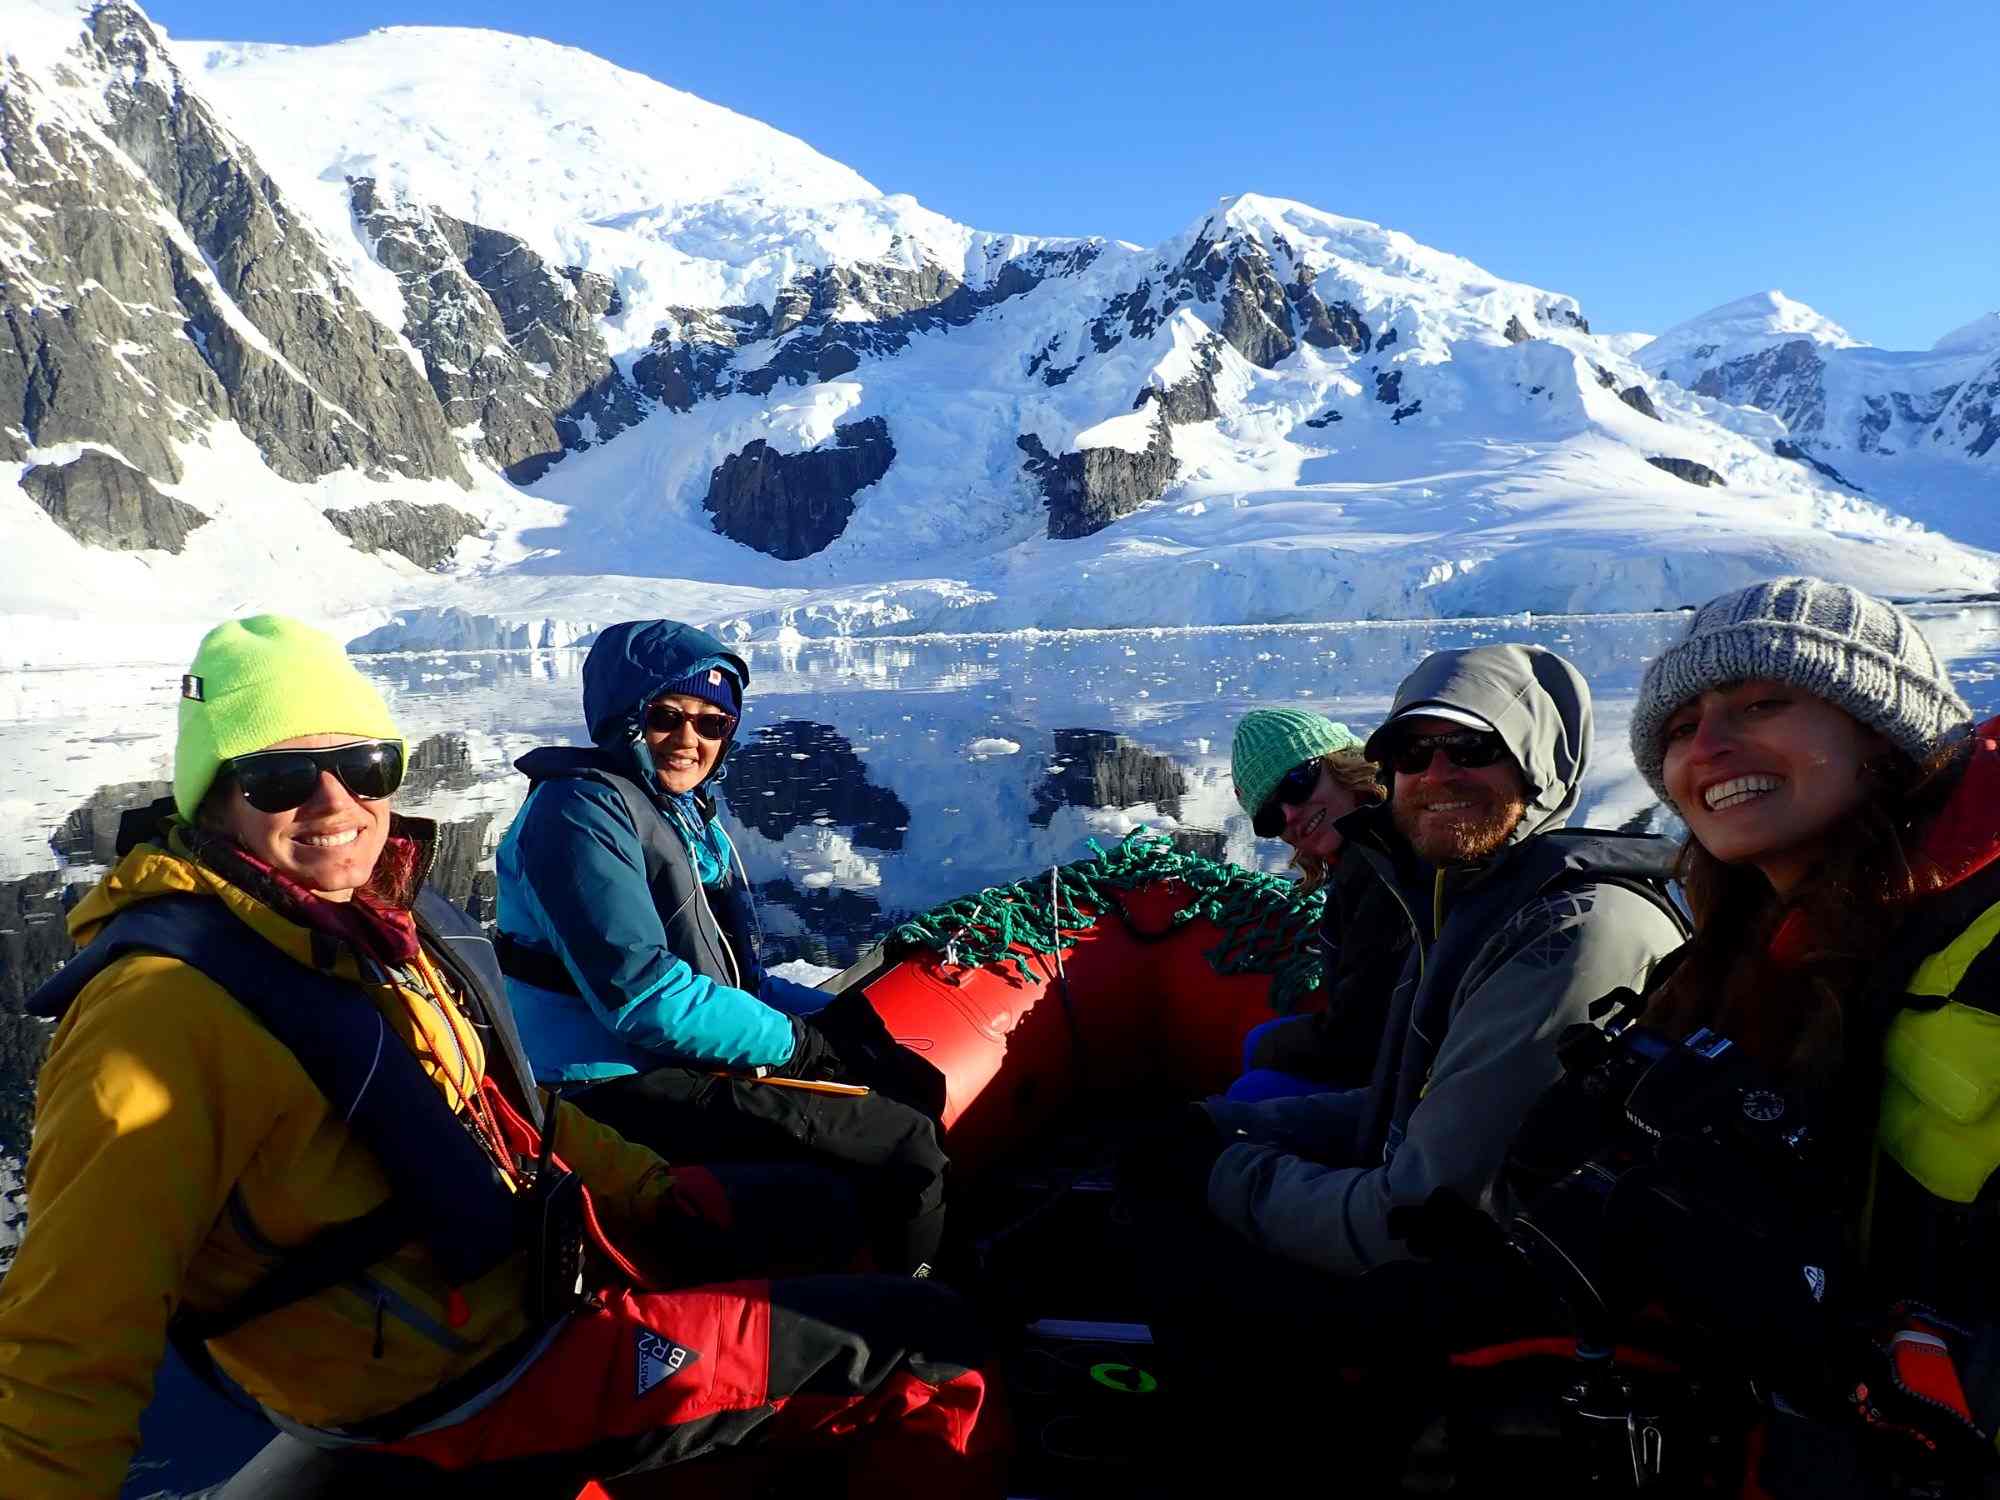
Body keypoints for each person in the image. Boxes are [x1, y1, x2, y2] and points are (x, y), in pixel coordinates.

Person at [0, 616, 1002, 1500]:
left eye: (366, 766)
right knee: (935, 1348)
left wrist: (656, 1192)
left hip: (509, 1294)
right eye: (277, 776)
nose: (335, 801)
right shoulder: (159, 1017)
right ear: (213, 796)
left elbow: (501, 1107)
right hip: (457, 1388)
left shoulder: (354, 933)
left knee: (814, 1212)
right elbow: (69, 1336)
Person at [1119, 643, 1688, 1479]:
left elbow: (1421, 1215)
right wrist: (1224, 1127)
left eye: (1471, 748)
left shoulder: (1567, 937)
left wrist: (1223, 1171)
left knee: (1185, 1227)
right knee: (1176, 1154)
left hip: (1502, 1286)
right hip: (1474, 1238)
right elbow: (1404, 1100)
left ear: (1536, 759)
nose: (1436, 772)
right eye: (1411, 753)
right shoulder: (1472, 898)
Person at [1508, 578, 1999, 1493]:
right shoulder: (1732, 959)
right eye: (1681, 729)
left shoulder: (1986, 950)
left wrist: (1878, 1361)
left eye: (1763, 702)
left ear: (1883, 731)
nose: (1711, 748)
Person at [494, 619, 948, 1275]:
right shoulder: (579, 814)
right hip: (603, 1089)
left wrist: (835, 1021)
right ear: (624, 718)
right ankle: (905, 1340)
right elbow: (646, 999)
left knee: (907, 1092)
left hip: (668, 1063)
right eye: (666, 717)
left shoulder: (673, 810)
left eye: (713, 724)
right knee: (904, 1148)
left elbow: (735, 975)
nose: (689, 740)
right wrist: (804, 1045)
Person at [1224, 709, 1408, 1102]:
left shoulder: (1384, 864)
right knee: (1260, 1045)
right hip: (1401, 1058)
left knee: (1252, 1087)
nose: (1290, 815)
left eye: (1297, 782)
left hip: (1411, 1080)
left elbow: (1358, 1039)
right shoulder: (1367, 850)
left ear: (1342, 762)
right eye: (1270, 818)